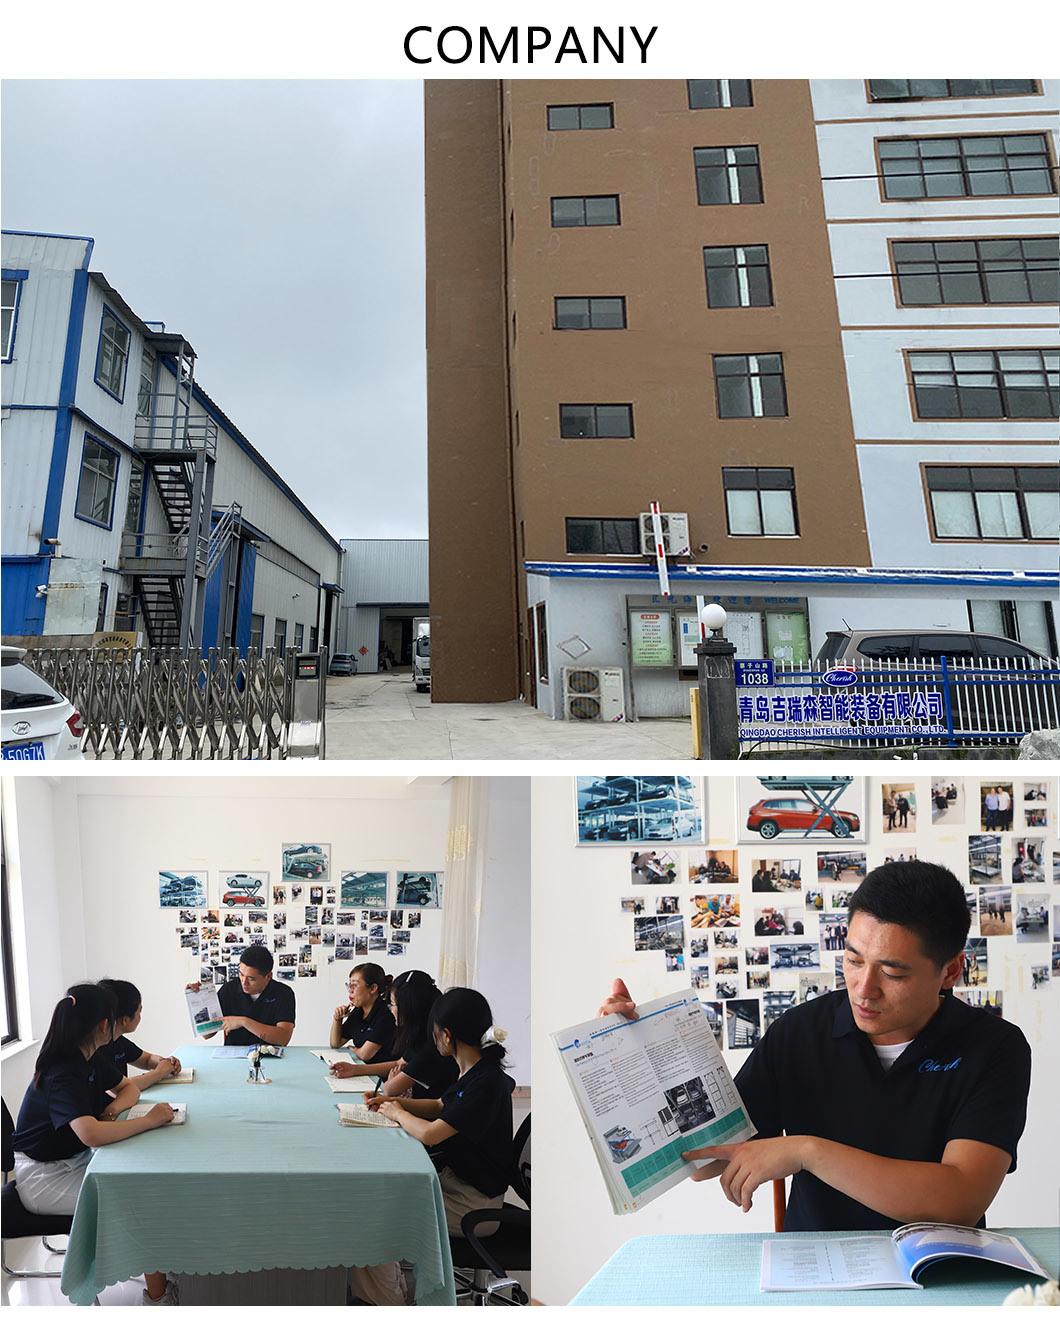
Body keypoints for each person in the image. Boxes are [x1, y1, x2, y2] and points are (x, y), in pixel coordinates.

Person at [598, 860, 1031, 1231]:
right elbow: (704, 1160)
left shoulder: (994, 1048)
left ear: (951, 970)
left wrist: (807, 1151)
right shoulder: (799, 1033)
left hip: (939, 1273)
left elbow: (960, 1199)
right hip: (813, 1272)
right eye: (854, 959)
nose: (864, 989)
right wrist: (632, 1051)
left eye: (893, 973)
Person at [11, 984, 178, 1305]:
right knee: (136, 1203)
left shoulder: (88, 1055)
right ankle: (157, 1299)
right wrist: (148, 1120)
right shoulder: (62, 1070)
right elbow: (91, 1133)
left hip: (76, 1158)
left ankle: (161, 1269)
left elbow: (127, 1088)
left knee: (147, 1181)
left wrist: (113, 1110)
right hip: (43, 1177)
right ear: (105, 1024)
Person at [357, 988, 514, 1305]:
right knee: (379, 1195)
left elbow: (431, 1134)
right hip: (458, 1183)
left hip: (474, 1204)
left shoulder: (486, 1082)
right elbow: (442, 1105)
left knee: (368, 1219)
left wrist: (398, 1112)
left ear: (445, 1035)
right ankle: (393, 1290)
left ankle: (389, 1304)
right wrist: (391, 1101)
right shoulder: (474, 1070)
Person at [192, 945, 296, 1047]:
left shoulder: (284, 993)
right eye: (241, 974)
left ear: (268, 976)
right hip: (233, 1058)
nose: (244, 982)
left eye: (251, 978)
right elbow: (206, 1034)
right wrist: (200, 998)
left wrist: (243, 1022)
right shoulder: (229, 990)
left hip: (271, 1057)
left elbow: (283, 1038)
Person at [97, 978, 182, 1091]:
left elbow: (147, 1059)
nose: (140, 1016)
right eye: (139, 1011)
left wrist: (165, 1062)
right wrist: (159, 1072)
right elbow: (120, 1088)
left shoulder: (118, 1040)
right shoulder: (96, 1050)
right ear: (125, 1020)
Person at [329, 962, 396, 1064]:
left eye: (355, 985)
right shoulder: (358, 1011)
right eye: (349, 985)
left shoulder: (385, 1015)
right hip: (362, 1070)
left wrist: (353, 1049)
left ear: (373, 988)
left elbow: (365, 1055)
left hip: (380, 1076)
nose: (350, 990)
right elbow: (335, 1043)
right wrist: (337, 1019)